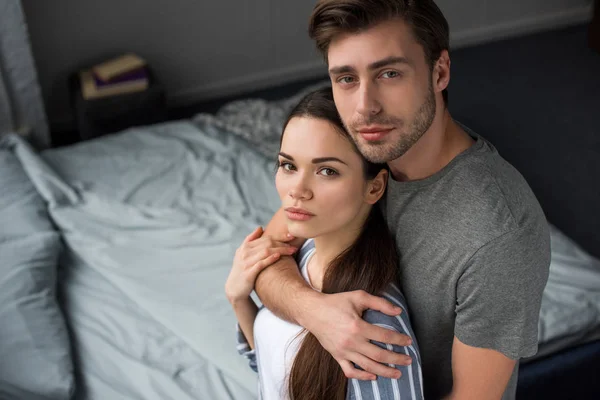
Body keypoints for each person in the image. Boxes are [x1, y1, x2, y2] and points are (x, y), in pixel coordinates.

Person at [252, 1, 552, 399]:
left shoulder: (498, 235)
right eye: (346, 79)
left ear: (439, 71)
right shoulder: (357, 153)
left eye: (389, 73)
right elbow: (264, 256)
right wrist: (315, 312)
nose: (364, 107)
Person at [225, 88, 424, 400]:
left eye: (327, 171)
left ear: (374, 188)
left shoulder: (375, 325)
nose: (297, 190)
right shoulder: (301, 255)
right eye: (288, 165)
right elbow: (277, 373)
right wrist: (239, 299)